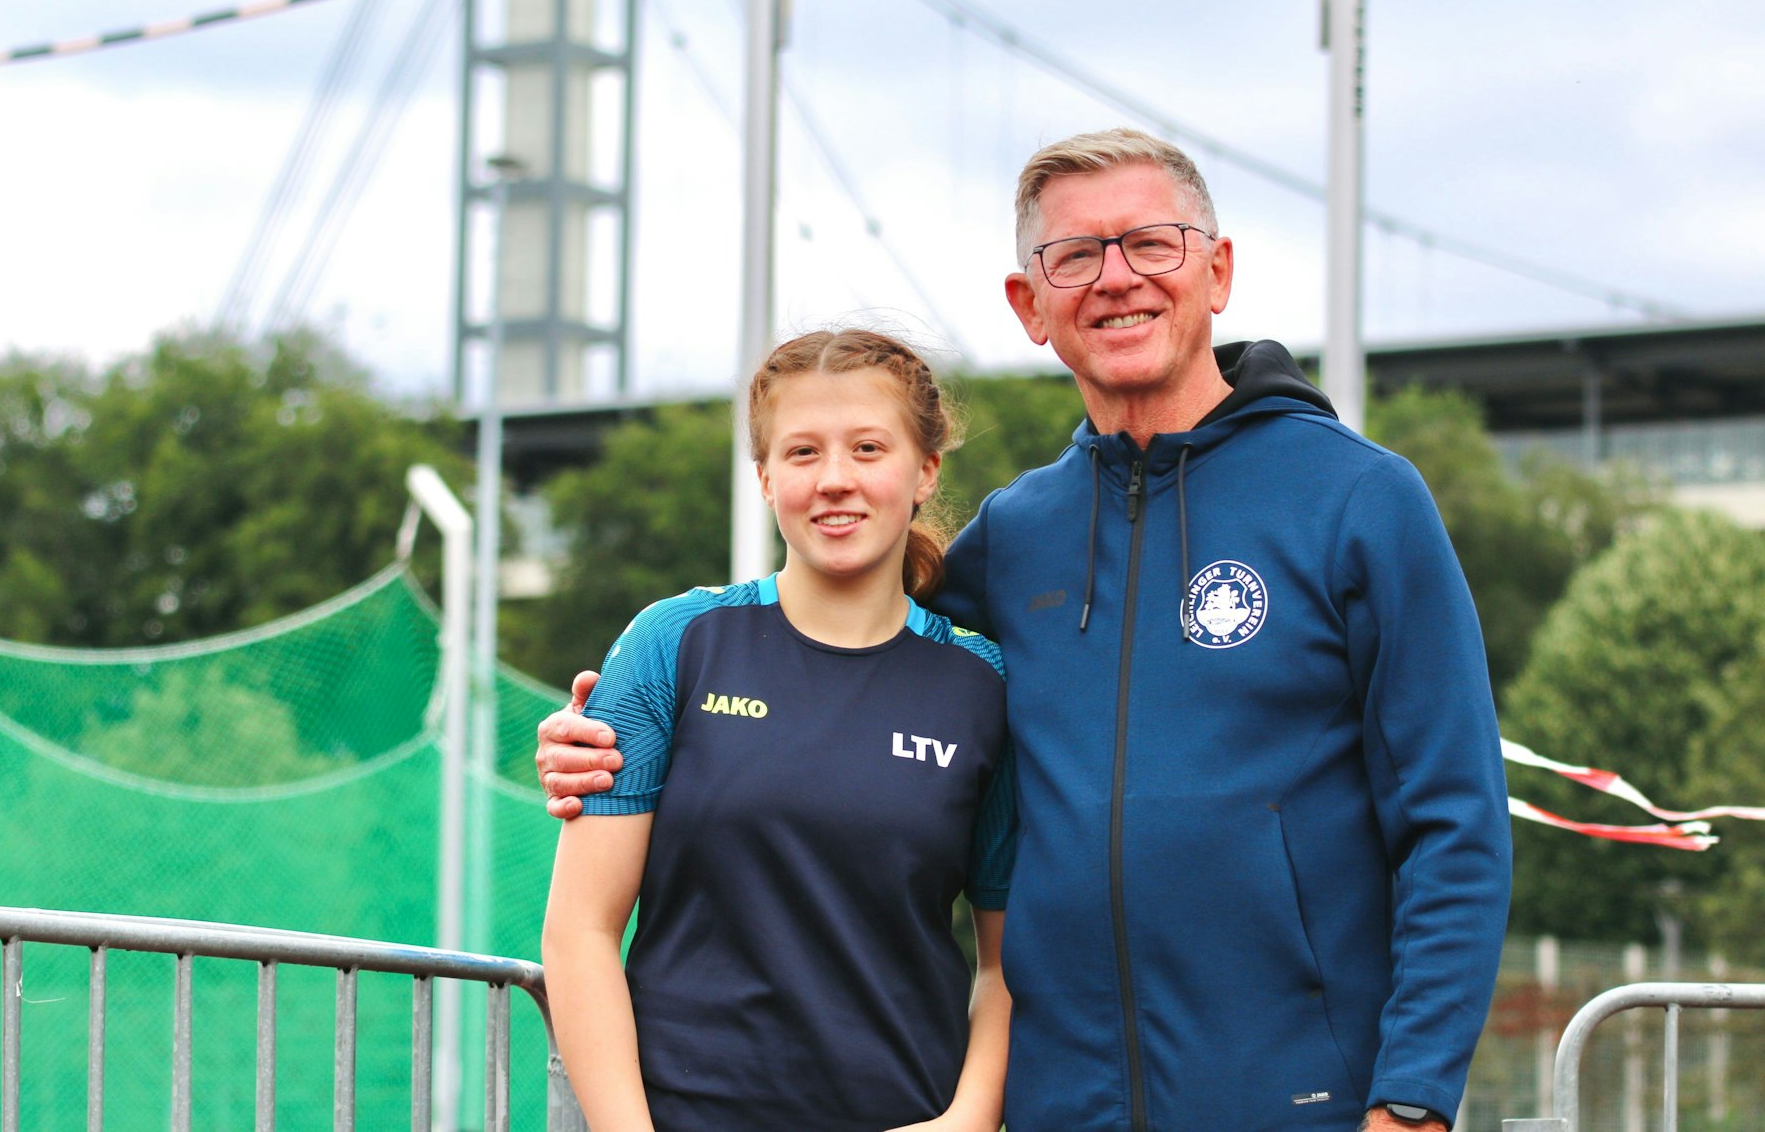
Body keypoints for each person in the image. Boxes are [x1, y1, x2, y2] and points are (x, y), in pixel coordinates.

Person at [537, 130, 1513, 1132]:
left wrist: (1410, 1100)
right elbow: (840, 648)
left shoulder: (1359, 500)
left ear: (1215, 272)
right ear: (1030, 305)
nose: (1115, 278)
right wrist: (614, 730)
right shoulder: (1018, 536)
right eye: (1074, 256)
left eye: (1150, 243)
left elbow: (1455, 823)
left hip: (1299, 1099)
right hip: (1061, 1106)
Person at [542, 328, 1017, 1132]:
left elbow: (1007, 967)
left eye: (868, 448)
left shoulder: (983, 685)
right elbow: (580, 931)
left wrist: (963, 1124)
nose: (835, 480)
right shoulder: (674, 643)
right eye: (802, 454)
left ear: (924, 470)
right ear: (765, 478)